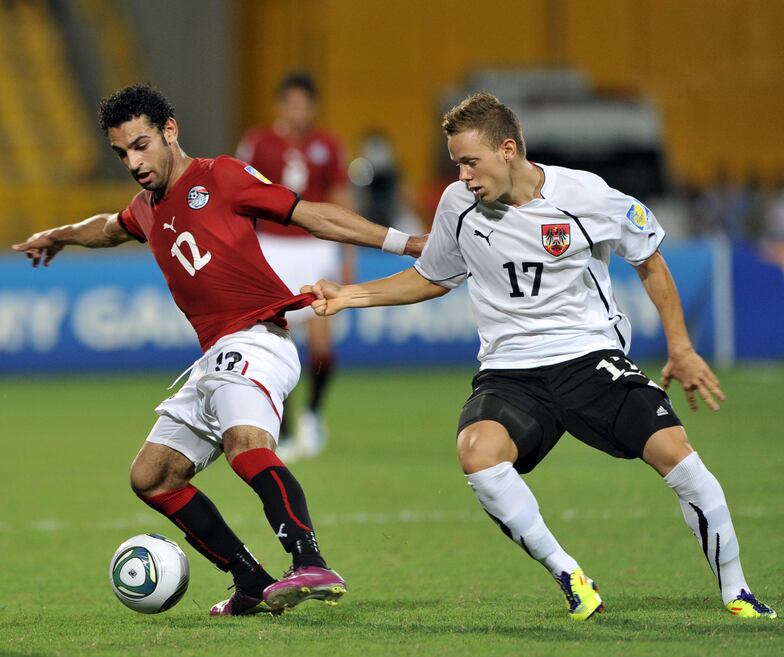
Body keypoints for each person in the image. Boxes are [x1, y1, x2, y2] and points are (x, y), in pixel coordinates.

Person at [303, 93, 776, 621]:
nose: (462, 176)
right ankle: (569, 575)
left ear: (508, 150)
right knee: (477, 452)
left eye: (470, 162)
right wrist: (351, 296)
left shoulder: (585, 195)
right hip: (510, 373)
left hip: (588, 358)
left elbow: (650, 259)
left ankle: (737, 591)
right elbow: (432, 277)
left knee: (677, 454)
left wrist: (681, 346)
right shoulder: (458, 206)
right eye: (457, 164)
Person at [11, 84, 422, 617]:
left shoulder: (220, 176)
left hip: (257, 338)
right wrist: (59, 234)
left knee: (245, 442)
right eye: (122, 153)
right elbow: (108, 229)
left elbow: (311, 215)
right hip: (216, 354)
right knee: (152, 477)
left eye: (141, 145)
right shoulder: (147, 208)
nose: (134, 162)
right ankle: (250, 581)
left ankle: (309, 561)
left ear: (170, 131)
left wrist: (406, 242)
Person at [235, 72, 351, 460]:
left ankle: (314, 415)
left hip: (315, 249)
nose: (298, 111)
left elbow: (340, 204)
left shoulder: (328, 145)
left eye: (305, 104)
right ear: (281, 105)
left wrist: (346, 259)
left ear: (313, 107)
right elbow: (240, 199)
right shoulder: (258, 142)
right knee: (271, 343)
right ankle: (282, 428)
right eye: (292, 103)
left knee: (320, 343)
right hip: (272, 248)